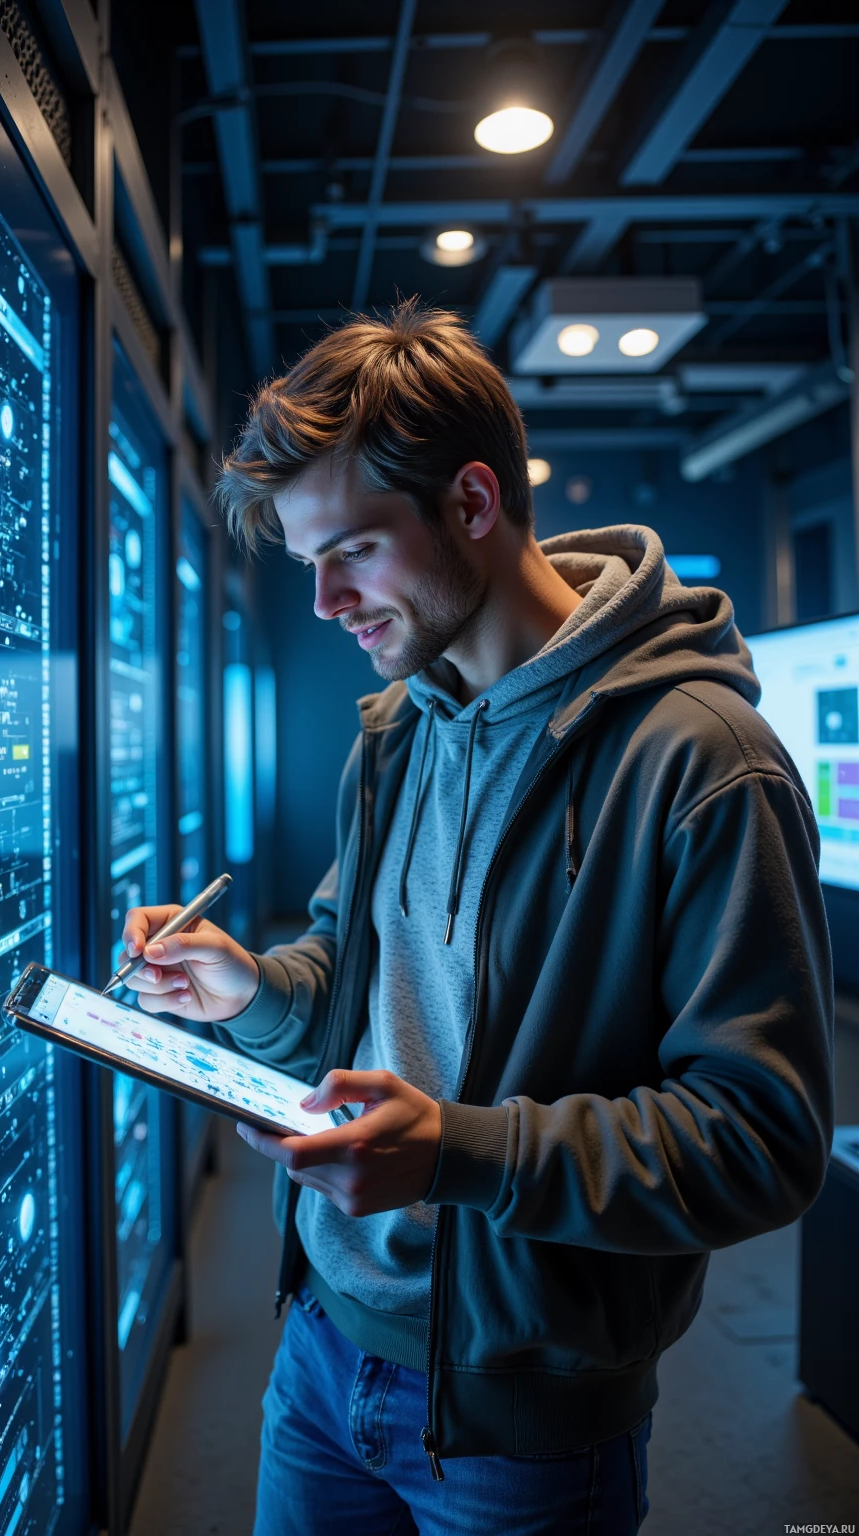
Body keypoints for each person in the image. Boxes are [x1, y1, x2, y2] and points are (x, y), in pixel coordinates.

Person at [122, 301, 833, 1536]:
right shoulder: (394, 733)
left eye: (350, 552)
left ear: (469, 503)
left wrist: (458, 1150)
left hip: (525, 1427)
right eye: (306, 567)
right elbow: (354, 970)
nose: (327, 602)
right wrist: (253, 991)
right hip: (321, 1355)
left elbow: (762, 1138)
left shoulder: (702, 762)